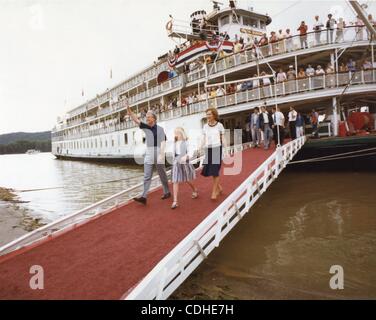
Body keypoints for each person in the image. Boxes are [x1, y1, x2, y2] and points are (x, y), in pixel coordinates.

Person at [126, 103, 170, 205]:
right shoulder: (145, 127)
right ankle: (144, 197)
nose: (147, 119)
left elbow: (163, 142)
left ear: (153, 118)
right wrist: (129, 111)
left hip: (158, 151)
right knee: (147, 175)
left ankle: (167, 192)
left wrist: (162, 154)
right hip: (149, 152)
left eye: (148, 117)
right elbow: (136, 120)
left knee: (162, 174)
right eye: (146, 117)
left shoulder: (160, 129)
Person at [201, 108, 227, 200]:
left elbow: (223, 138)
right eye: (207, 114)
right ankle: (219, 188)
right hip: (208, 149)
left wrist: (226, 149)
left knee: (215, 170)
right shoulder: (205, 126)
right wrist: (200, 147)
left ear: (214, 115)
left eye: (209, 114)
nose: (208, 116)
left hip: (216, 149)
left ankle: (214, 192)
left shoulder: (219, 125)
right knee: (212, 171)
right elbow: (204, 138)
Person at [171, 127, 198, 210]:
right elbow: (173, 153)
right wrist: (175, 160)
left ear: (182, 134)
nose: (176, 135)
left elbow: (191, 152)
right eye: (175, 133)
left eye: (178, 133)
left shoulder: (186, 142)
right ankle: (175, 201)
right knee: (175, 180)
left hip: (185, 162)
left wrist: (186, 156)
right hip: (176, 163)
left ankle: (194, 189)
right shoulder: (174, 143)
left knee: (187, 179)